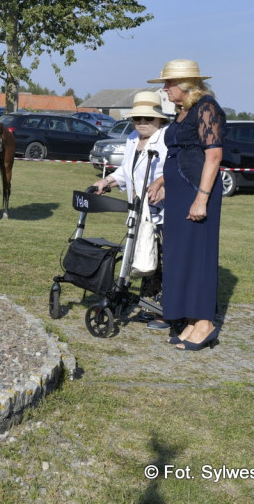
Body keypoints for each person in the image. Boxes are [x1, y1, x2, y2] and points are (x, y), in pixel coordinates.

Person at [148, 59, 226, 351]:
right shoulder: (185, 111)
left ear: (185, 85)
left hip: (197, 193)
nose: (165, 89)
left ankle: (205, 324)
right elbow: (181, 154)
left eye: (168, 84)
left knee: (199, 257)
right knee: (182, 256)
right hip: (180, 193)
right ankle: (192, 321)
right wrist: (162, 183)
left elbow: (213, 156)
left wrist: (201, 199)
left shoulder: (207, 107)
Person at [94, 90, 170, 328]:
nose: (142, 123)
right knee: (145, 258)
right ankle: (149, 305)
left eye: (148, 119)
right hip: (137, 212)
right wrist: (106, 182)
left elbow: (176, 171)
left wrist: (164, 186)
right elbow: (125, 173)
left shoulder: (167, 140)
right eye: (138, 119)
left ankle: (165, 313)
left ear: (160, 119)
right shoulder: (131, 141)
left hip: (162, 212)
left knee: (160, 262)